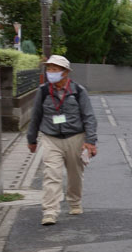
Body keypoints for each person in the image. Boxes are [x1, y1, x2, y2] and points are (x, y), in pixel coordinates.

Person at [27, 55, 98, 226]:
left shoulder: (78, 91)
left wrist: (90, 141)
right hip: (51, 138)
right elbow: (35, 116)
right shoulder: (43, 91)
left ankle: (74, 202)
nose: (50, 72)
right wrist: (32, 139)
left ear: (65, 72)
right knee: (52, 175)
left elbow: (89, 117)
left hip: (75, 137)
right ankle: (50, 211)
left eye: (54, 69)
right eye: (49, 69)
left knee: (75, 175)